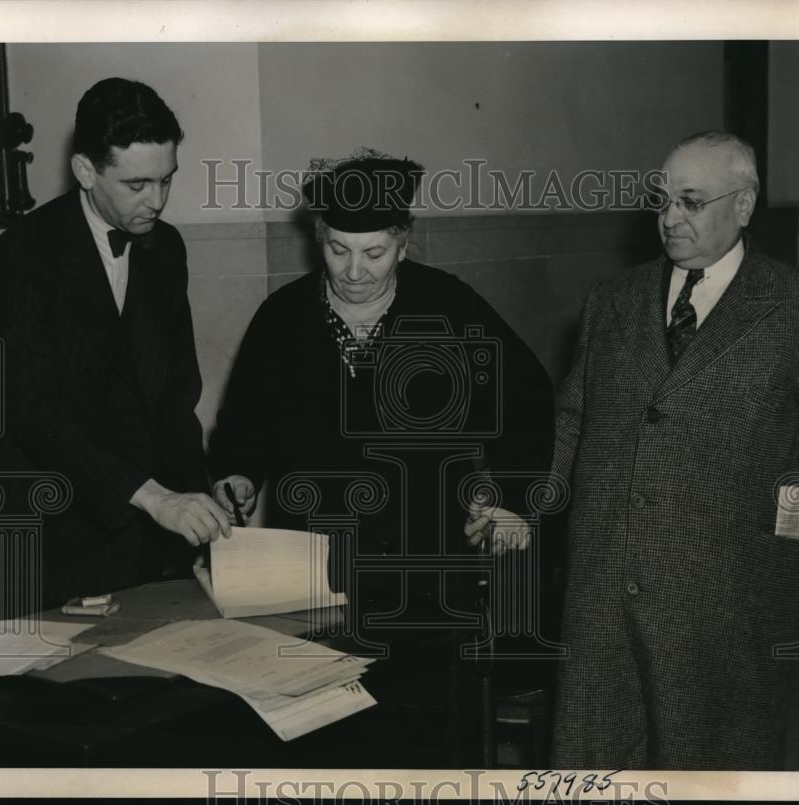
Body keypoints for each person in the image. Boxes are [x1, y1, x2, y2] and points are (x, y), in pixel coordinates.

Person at [208, 151, 555, 766]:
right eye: (339, 250)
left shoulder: (450, 308)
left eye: (375, 253)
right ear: (320, 238)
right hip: (312, 571)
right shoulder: (283, 319)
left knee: (420, 743)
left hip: (425, 573)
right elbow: (243, 426)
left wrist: (511, 499)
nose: (356, 270)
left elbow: (527, 402)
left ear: (404, 242)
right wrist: (236, 474)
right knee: (319, 739)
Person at [542, 131, 799, 770]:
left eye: (691, 202)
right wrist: (532, 504)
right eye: (663, 200)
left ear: (743, 205)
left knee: (715, 764)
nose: (669, 218)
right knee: (596, 761)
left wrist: (764, 519)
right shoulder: (612, 301)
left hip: (727, 595)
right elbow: (573, 418)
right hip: (603, 584)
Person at [0, 78, 229, 620]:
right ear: (86, 171)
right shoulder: (23, 253)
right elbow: (31, 408)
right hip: (38, 532)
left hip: (132, 533)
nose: (155, 201)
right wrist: (155, 498)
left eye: (166, 181)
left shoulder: (167, 248)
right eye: (136, 184)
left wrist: (203, 533)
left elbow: (174, 399)